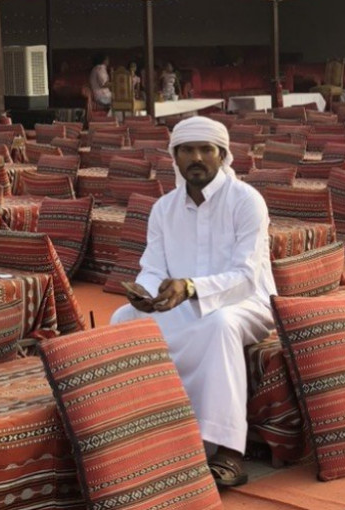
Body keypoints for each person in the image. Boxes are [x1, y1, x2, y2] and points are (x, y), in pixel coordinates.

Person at [110, 116, 277, 488]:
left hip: (246, 303)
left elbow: (246, 276)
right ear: (175, 157)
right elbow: (153, 268)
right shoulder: (163, 209)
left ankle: (229, 452)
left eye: (206, 149)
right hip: (181, 301)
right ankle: (145, 435)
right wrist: (145, 294)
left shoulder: (246, 201)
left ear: (223, 155)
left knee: (218, 324)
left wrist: (190, 287)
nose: (197, 158)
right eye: (187, 150)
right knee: (123, 318)